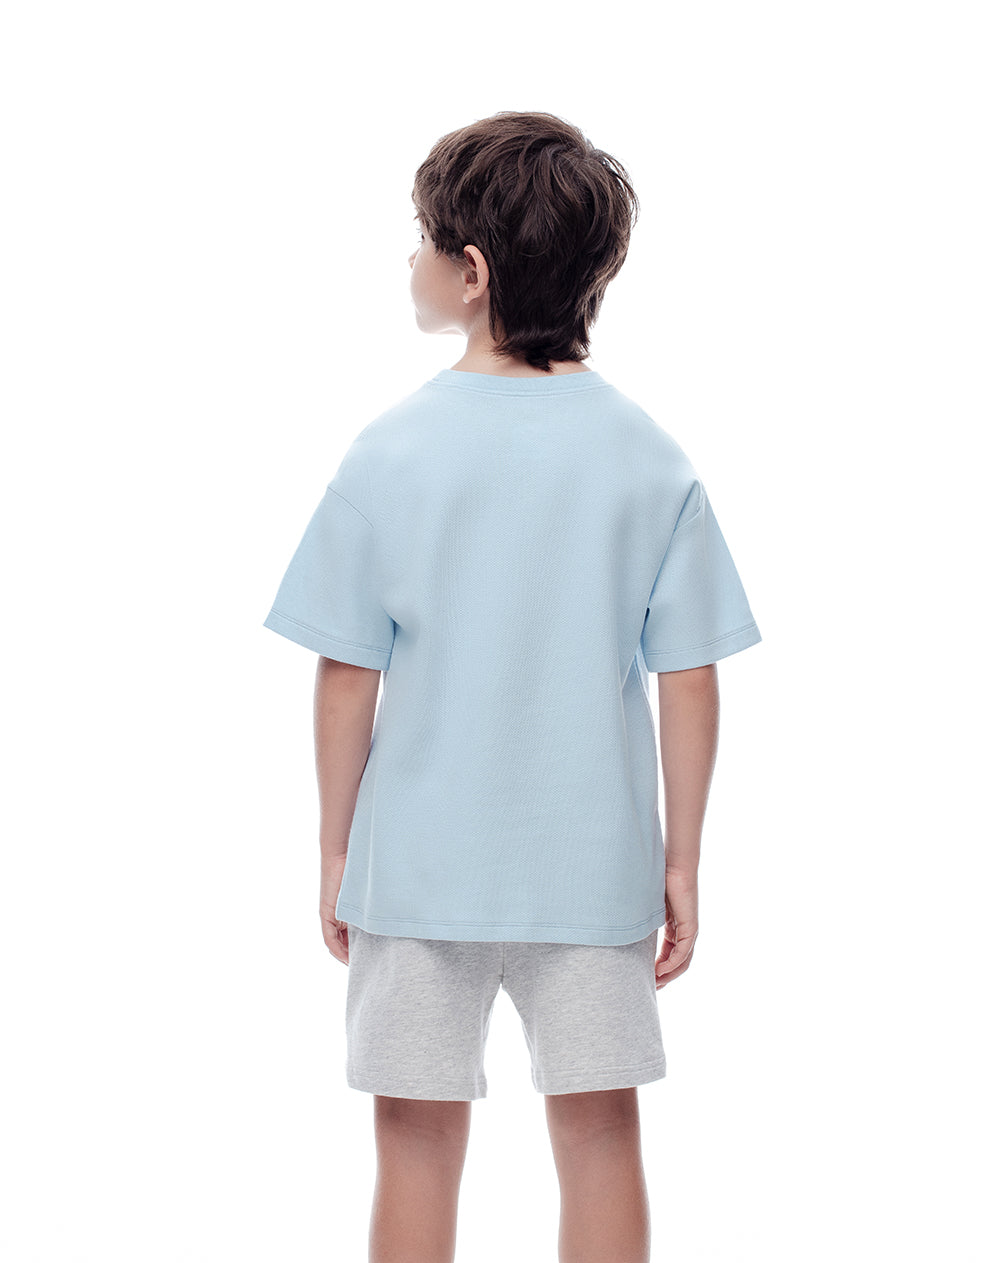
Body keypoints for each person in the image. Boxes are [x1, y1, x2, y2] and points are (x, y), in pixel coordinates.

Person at [263, 110, 762, 1263]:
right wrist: (680, 862)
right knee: (599, 1133)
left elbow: (346, 675)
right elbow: (689, 677)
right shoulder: (649, 457)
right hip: (592, 876)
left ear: (472, 273)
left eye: (421, 238)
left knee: (414, 1139)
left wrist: (335, 849)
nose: (410, 258)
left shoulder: (389, 452)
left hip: (417, 874)